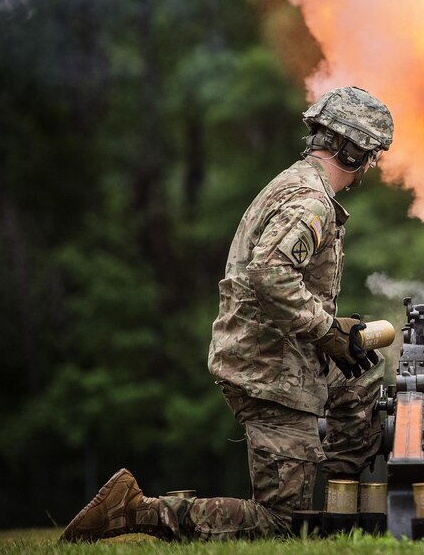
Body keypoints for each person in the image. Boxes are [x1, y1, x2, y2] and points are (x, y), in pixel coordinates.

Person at [60, 86, 395, 542]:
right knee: (280, 525)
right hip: (271, 371)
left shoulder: (296, 185)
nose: (371, 166)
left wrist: (336, 334)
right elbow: (270, 275)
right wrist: (327, 330)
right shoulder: (310, 202)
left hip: (287, 358)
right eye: (370, 154)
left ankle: (342, 518)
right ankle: (137, 511)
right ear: (352, 151)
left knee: (359, 383)